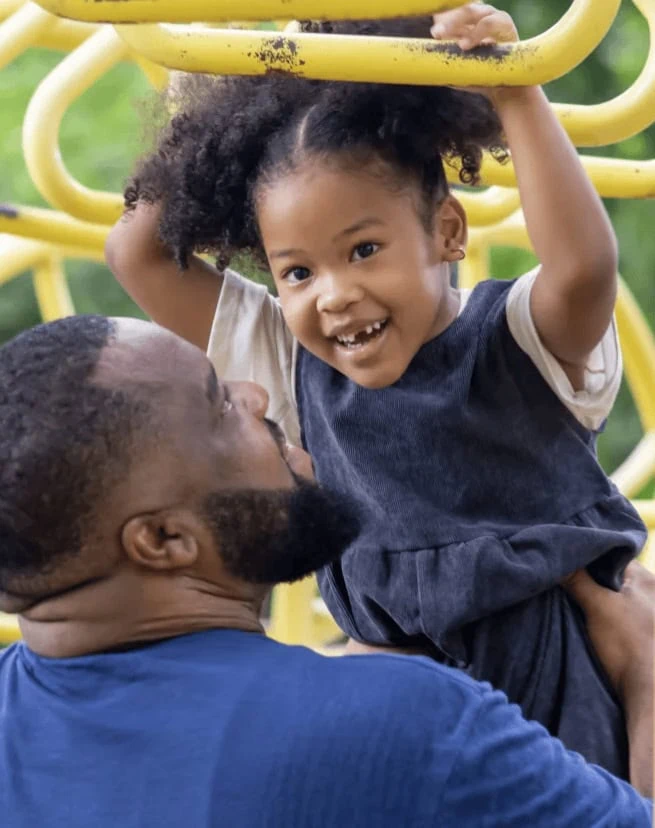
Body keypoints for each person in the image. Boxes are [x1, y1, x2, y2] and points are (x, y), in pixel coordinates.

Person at [106, 6, 649, 778]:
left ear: (447, 233)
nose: (333, 294)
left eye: (364, 249)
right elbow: (137, 253)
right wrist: (250, 83)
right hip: (401, 714)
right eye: (297, 271)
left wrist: (514, 91)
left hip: (559, 699)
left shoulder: (519, 345)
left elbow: (583, 267)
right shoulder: (293, 366)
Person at [0, 314, 652, 827]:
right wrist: (645, 673)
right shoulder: (408, 726)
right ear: (165, 538)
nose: (255, 394)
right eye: (219, 406)